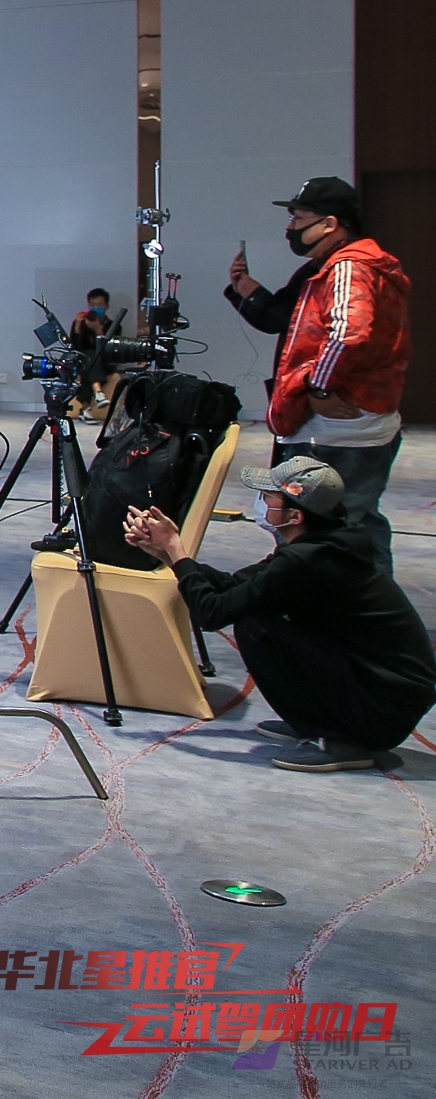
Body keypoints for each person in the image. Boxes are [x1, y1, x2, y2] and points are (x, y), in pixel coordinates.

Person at [125, 457, 434, 772]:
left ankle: (341, 738)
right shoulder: (327, 542)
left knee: (257, 628)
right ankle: (321, 721)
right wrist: (168, 555)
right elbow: (234, 586)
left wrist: (176, 549)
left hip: (384, 711)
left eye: (269, 496)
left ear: (295, 515)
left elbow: (212, 614)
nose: (261, 501)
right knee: (258, 619)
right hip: (385, 696)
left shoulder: (307, 559)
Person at [226, 176, 413, 571]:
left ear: (329, 224)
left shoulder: (348, 266)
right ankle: (373, 598)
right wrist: (247, 290)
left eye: (298, 218)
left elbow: (347, 333)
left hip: (337, 430)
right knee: (358, 521)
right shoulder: (336, 267)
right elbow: (281, 317)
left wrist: (319, 388)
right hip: (357, 422)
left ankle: (331, 603)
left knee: (320, 525)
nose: (290, 228)